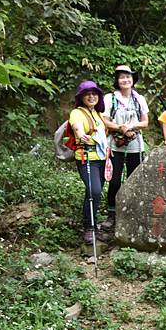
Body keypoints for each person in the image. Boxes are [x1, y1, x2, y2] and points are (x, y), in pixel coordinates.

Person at [101, 65, 149, 234]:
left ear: (132, 80)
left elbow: (145, 122)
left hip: (136, 146)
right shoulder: (109, 98)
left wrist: (131, 126)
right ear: (117, 80)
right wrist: (121, 128)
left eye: (128, 77)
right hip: (115, 144)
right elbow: (105, 120)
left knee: (133, 179)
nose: (125, 80)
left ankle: (131, 211)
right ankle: (112, 213)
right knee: (114, 180)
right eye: (122, 77)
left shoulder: (139, 99)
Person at [70, 80, 109, 244]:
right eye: (88, 94)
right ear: (82, 97)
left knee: (95, 193)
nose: (92, 97)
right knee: (94, 191)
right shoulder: (77, 112)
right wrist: (80, 134)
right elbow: (77, 126)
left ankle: (93, 226)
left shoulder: (98, 113)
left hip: (101, 158)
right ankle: (88, 228)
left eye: (94, 94)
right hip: (87, 158)